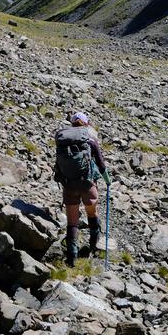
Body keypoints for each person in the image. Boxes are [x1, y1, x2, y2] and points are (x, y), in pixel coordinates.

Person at [53, 111, 110, 266]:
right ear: (86, 123)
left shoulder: (64, 140)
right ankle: (93, 246)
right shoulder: (89, 139)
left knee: (72, 220)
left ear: (72, 124)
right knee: (92, 213)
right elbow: (100, 163)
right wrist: (108, 180)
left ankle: (71, 257)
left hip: (69, 184)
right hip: (87, 184)